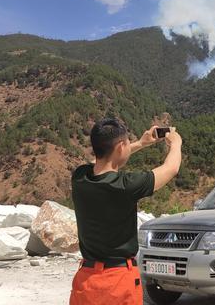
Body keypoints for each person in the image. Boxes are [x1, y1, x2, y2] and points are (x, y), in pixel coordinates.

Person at [69, 118, 182, 305]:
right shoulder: (125, 186)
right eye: (128, 142)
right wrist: (176, 143)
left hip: (86, 281)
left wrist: (141, 143)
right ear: (121, 146)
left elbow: (97, 162)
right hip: (118, 281)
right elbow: (171, 168)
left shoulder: (80, 177)